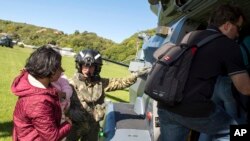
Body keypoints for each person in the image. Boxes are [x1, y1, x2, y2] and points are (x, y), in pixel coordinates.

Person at [157, 4, 250, 141]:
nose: (238, 33)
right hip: (193, 109)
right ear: (227, 25)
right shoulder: (228, 45)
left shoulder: (190, 36)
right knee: (235, 131)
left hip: (166, 104)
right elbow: (245, 89)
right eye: (238, 28)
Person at [65, 49, 149, 141]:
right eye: (85, 66)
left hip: (93, 127)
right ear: (80, 66)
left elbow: (120, 83)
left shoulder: (100, 83)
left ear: (96, 68)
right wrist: (70, 112)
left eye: (91, 67)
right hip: (74, 126)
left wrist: (135, 75)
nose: (87, 70)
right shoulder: (70, 84)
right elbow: (60, 105)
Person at [11, 45, 72, 141]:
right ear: (50, 71)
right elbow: (52, 137)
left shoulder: (34, 84)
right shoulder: (38, 102)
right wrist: (68, 124)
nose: (62, 70)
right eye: (59, 67)